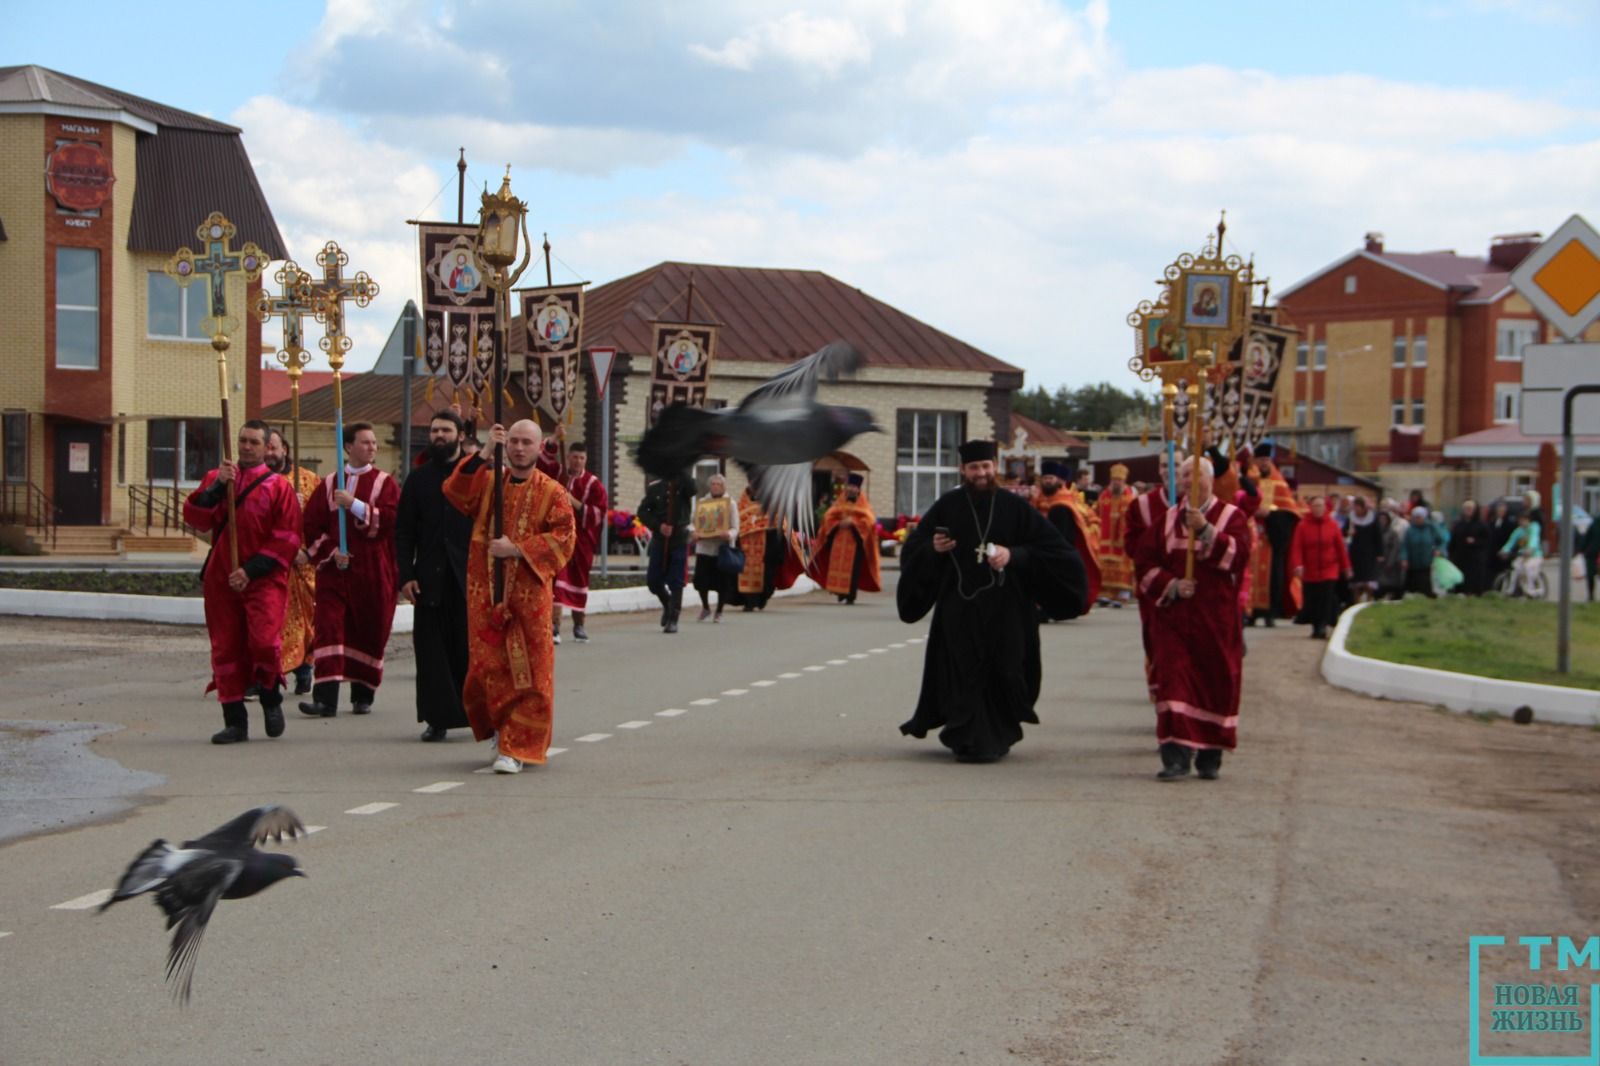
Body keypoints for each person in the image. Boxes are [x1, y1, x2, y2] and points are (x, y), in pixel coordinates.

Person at [898, 440, 1088, 763]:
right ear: (963, 470)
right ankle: (965, 737)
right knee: (963, 672)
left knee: (1004, 669)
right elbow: (913, 551)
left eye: (986, 467)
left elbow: (1057, 552)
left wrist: (1014, 555)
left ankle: (997, 735)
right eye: (974, 468)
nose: (982, 473)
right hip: (959, 609)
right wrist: (934, 549)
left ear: (994, 467)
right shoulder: (948, 505)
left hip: (1007, 609)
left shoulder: (1015, 508)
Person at [443, 420, 576, 773]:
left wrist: (517, 549)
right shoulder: (489, 483)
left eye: (526, 442)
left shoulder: (553, 492)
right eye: (513, 442)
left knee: (528, 672)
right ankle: (500, 733)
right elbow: (456, 493)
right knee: (488, 668)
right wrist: (486, 452)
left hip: (528, 599)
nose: (518, 448)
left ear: (539, 446)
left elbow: (565, 538)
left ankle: (519, 746)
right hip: (485, 592)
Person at [182, 420, 303, 744]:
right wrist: (217, 487)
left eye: (254, 442)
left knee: (264, 642)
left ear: (267, 447)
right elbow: (194, 517)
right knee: (226, 648)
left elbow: (287, 539)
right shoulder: (218, 478)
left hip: (263, 579)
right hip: (222, 580)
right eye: (243, 441)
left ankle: (270, 696)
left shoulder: (279, 487)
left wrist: (250, 571)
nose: (247, 447)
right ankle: (235, 720)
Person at [1140, 456, 1251, 781]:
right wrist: (1172, 584)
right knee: (1174, 679)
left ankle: (1209, 755)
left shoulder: (1233, 516)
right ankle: (1174, 756)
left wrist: (1204, 530)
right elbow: (1144, 565)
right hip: (1174, 621)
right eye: (1184, 475)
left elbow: (1239, 557)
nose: (1189, 481)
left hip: (1215, 622)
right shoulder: (1165, 521)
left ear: (1211, 480)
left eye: (1196, 475)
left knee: (1214, 683)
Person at [298, 422, 400, 718]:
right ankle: (325, 699)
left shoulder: (385, 483)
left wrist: (354, 505)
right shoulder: (329, 484)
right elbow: (312, 524)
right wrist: (331, 551)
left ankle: (363, 693)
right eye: (365, 442)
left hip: (371, 569)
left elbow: (390, 521)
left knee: (368, 628)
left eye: (374, 443)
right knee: (329, 626)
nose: (372, 447)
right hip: (335, 572)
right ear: (348, 447)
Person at [395, 410, 474, 742]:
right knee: (431, 652)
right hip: (429, 577)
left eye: (446, 430)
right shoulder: (418, 478)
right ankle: (437, 718)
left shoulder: (476, 473)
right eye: (435, 430)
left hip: (467, 577)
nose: (439, 435)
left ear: (460, 435)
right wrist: (406, 575)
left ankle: (476, 714)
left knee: (467, 649)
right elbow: (403, 532)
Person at [536, 428, 609, 644]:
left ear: (586, 459)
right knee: (557, 580)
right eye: (574, 457)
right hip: (556, 537)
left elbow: (598, 513)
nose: (577, 461)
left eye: (581, 458)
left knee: (578, 580)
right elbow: (542, 460)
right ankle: (554, 626)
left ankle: (579, 625)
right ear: (568, 457)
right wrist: (556, 437)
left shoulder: (594, 484)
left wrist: (573, 501)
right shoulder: (558, 473)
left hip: (580, 542)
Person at [264, 429, 319, 695]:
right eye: (266, 448)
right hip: (270, 563)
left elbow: (320, 521)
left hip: (302, 563)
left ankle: (304, 669)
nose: (269, 453)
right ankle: (268, 675)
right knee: (270, 622)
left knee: (306, 622)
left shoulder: (308, 480)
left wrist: (307, 551)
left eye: (273, 447)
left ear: (284, 448)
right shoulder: (257, 482)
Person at [1034, 461, 1102, 609]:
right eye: (1045, 478)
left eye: (1050, 478)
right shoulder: (1037, 498)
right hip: (1039, 544)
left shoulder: (1063, 502)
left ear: (1057, 480)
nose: (1047, 481)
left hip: (1059, 545)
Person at [808, 473, 881, 605]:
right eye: (849, 486)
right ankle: (839, 592)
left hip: (855, 540)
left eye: (854, 487)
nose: (851, 489)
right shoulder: (840, 501)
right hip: (839, 539)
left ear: (858, 489)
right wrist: (838, 523)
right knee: (837, 566)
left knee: (853, 568)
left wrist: (853, 522)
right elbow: (828, 517)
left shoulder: (863, 503)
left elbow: (869, 520)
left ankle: (850, 595)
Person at [638, 468, 695, 633]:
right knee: (654, 581)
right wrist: (658, 526)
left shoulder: (684, 485)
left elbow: (693, 489)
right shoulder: (655, 487)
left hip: (679, 538)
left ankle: (673, 618)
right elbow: (642, 512)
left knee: (676, 581)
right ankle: (668, 603)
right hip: (660, 539)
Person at [1290, 496, 1353, 640]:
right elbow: (1297, 547)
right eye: (1315, 506)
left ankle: (1322, 626)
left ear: (1325, 508)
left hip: (1329, 569)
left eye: (1320, 506)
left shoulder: (1332, 525)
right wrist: (1298, 564)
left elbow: (1340, 548)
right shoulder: (1302, 525)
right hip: (1310, 570)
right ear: (1310, 508)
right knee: (1313, 599)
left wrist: (1346, 567)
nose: (1318, 509)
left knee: (1326, 598)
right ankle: (1315, 625)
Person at [733, 486, 798, 611]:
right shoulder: (741, 505)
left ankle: (761, 598)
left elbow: (781, 524)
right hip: (745, 547)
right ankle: (748, 602)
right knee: (743, 574)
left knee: (767, 576)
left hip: (768, 545)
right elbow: (736, 522)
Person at [690, 473, 739, 621]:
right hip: (704, 547)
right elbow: (692, 522)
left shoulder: (730, 503)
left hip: (721, 549)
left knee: (721, 581)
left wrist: (728, 534)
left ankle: (719, 610)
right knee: (700, 581)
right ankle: (705, 607)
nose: (715, 487)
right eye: (713, 484)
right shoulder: (703, 502)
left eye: (719, 484)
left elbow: (736, 527)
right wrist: (694, 532)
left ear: (724, 486)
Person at [1095, 463, 1135, 607]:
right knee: (1106, 565)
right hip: (1106, 538)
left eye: (1119, 480)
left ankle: (1121, 593)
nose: (1116, 483)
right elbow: (1097, 511)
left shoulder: (1130, 497)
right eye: (1114, 480)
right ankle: (1106, 593)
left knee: (1121, 566)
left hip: (1121, 539)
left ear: (1124, 481)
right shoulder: (1104, 496)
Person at [1449, 499, 1491, 596]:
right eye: (1466, 509)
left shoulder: (1482, 525)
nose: (1468, 511)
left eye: (1470, 509)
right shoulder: (1458, 524)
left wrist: (1475, 541)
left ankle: (1474, 593)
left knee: (1473, 576)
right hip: (1460, 556)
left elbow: (1487, 541)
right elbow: (1453, 540)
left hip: (1475, 557)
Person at [1498, 508, 1544, 597]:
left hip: (1534, 555)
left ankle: (1531, 589)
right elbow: (1511, 542)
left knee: (1527, 567)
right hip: (1523, 555)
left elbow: (1534, 539)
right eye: (1520, 520)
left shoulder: (1534, 527)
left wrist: (1530, 549)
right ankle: (1511, 589)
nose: (1521, 522)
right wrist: (1504, 550)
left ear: (1528, 520)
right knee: (1515, 567)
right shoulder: (1518, 531)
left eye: (1523, 520)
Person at [1400, 507, 1444, 598]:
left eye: (1419, 517)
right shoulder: (1410, 530)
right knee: (1412, 588)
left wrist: (1438, 550)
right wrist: (1404, 558)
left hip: (1427, 563)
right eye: (1415, 517)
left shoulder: (1431, 528)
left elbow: (1441, 540)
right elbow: (1404, 545)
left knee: (1426, 587)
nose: (1417, 519)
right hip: (1413, 564)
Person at [1345, 495, 1381, 603]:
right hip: (1355, 554)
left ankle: (1369, 601)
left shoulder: (1373, 519)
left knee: (1368, 581)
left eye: (1358, 508)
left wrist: (1380, 553)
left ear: (1363, 507)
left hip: (1369, 554)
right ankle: (1356, 602)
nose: (1356, 510)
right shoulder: (1351, 518)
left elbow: (1378, 536)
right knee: (1356, 582)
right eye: (1354, 508)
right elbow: (1343, 532)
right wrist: (1347, 532)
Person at [1375, 508, 1405, 600]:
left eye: (1384, 519)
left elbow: (1395, 548)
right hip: (1377, 564)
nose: (1382, 521)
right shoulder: (1375, 533)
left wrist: (1390, 562)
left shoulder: (1392, 533)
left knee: (1390, 584)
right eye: (1380, 519)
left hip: (1389, 563)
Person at [1580, 516, 1600, 602]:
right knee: (1591, 575)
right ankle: (1591, 595)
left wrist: (1582, 549)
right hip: (1592, 553)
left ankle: (1591, 595)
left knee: (1590, 575)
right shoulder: (1595, 523)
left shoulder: (1594, 523)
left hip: (1591, 552)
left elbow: (1587, 537)